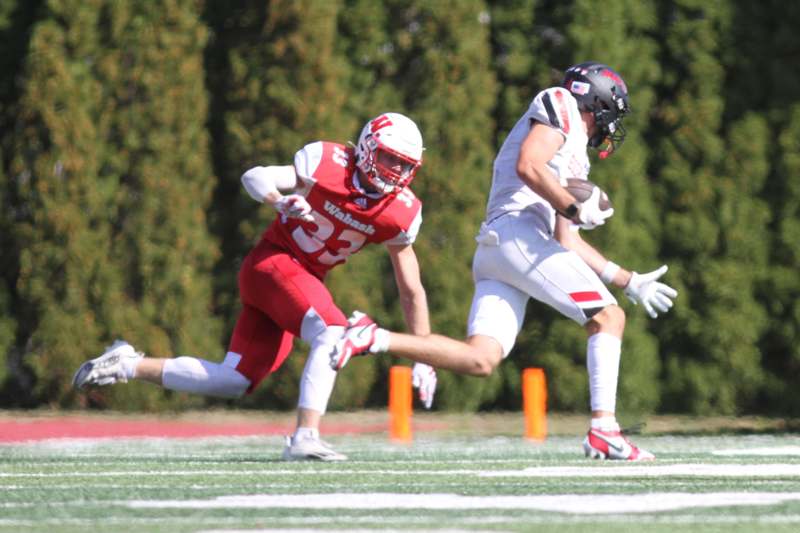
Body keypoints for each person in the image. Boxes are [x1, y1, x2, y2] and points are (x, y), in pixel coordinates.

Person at [331, 62, 677, 461]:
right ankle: (604, 430)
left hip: (502, 249)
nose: (609, 125)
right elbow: (527, 165)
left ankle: (371, 336)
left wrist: (629, 280)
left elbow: (567, 240)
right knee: (608, 319)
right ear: (597, 102)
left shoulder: (575, 153)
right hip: (516, 233)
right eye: (609, 113)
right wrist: (571, 205)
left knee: (481, 359)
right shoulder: (560, 102)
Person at [72, 112, 438, 461]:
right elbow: (255, 176)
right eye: (391, 159)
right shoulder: (329, 163)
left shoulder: (400, 211)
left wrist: (424, 354)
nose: (398, 172)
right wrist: (279, 201)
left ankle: (127, 365)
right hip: (275, 263)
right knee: (335, 332)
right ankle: (305, 437)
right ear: (367, 147)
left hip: (293, 281)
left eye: (407, 165)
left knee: (234, 380)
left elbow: (412, 289)